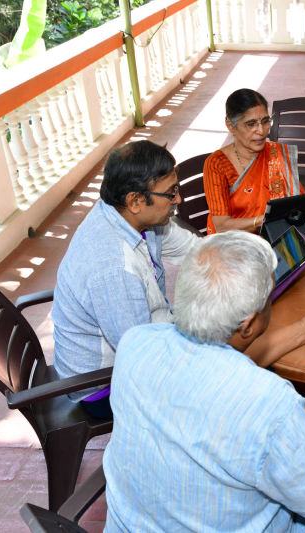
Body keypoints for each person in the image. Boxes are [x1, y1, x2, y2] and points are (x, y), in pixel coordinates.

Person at [103, 231, 305, 532]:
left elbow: (219, 361)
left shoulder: (135, 344)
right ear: (248, 324)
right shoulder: (272, 402)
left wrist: (304, 330)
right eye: (268, 300)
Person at [51, 140, 198, 419]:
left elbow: (194, 249)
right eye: (171, 193)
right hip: (103, 385)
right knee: (224, 372)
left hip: (140, 340)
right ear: (135, 201)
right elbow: (143, 356)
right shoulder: (114, 267)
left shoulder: (131, 217)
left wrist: (240, 258)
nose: (178, 199)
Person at [204, 88, 305, 234]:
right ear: (231, 126)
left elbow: (297, 204)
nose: (261, 131)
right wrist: (264, 220)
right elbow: (222, 226)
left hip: (277, 235)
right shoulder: (217, 164)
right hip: (232, 245)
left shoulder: (276, 153)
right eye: (251, 124)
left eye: (265, 121)